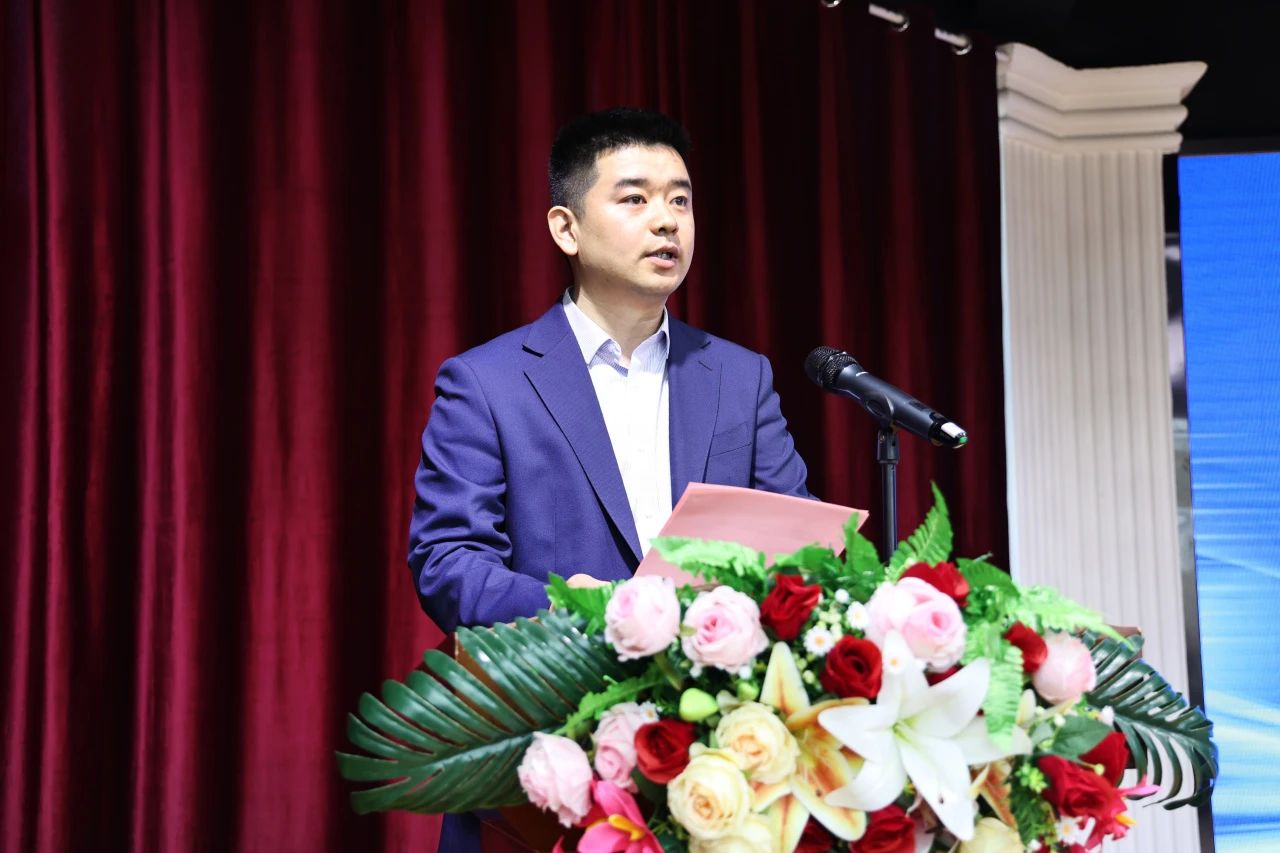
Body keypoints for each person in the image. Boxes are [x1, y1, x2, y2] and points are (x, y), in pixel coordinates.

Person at [407, 108, 811, 849]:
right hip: (549, 771)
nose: (667, 220)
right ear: (566, 228)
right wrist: (578, 604)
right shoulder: (487, 383)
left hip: (720, 775)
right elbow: (447, 563)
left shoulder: (739, 377)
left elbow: (801, 545)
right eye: (635, 198)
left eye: (681, 199)